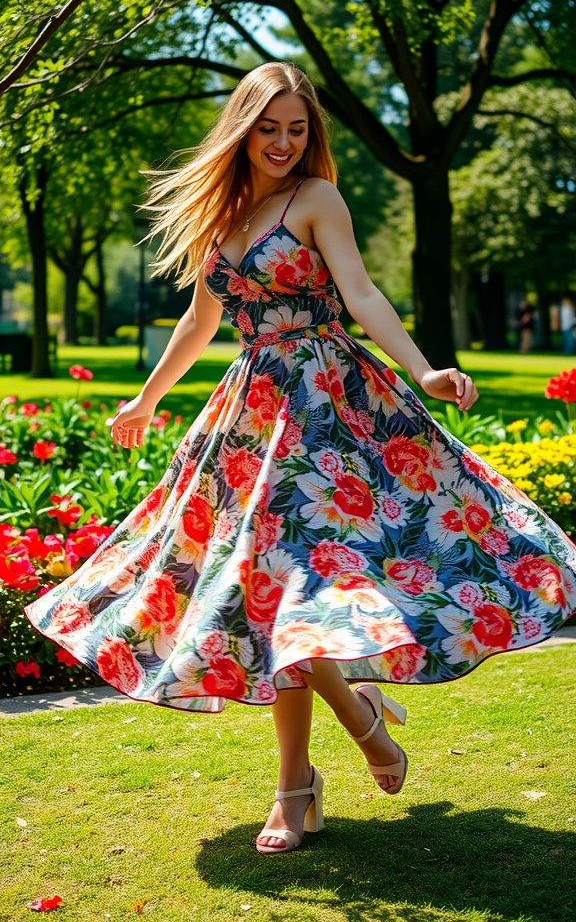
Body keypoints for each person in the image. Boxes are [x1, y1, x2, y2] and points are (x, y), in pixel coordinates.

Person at [25, 63, 576, 856]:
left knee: (296, 582)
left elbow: (362, 293)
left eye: (296, 128)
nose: (283, 142)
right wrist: (147, 399)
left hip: (327, 404)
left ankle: (302, 781)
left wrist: (423, 368)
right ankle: (345, 734)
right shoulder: (225, 213)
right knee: (269, 590)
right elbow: (199, 319)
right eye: (269, 127)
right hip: (250, 415)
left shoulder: (317, 200)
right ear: (243, 128)